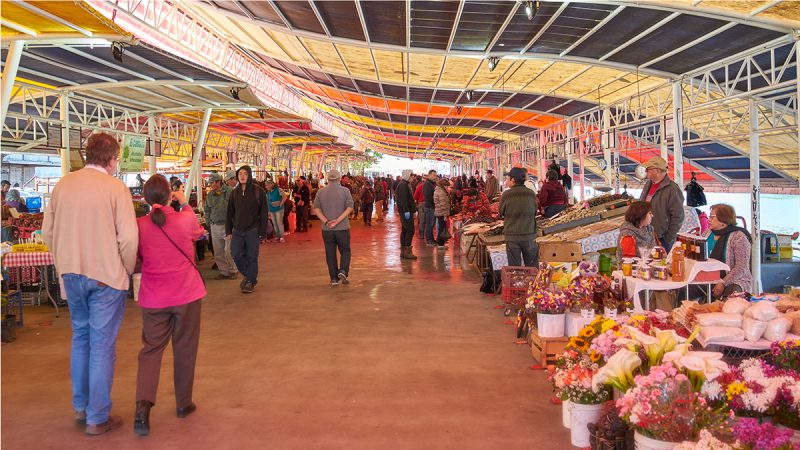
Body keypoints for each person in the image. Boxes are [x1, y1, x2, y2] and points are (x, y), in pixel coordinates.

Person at [41, 132, 138, 435]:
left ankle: (82, 407)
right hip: (105, 276)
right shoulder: (115, 188)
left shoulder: (62, 185)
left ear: (86, 155)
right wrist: (125, 268)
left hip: (71, 274)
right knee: (101, 346)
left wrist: (65, 262)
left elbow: (48, 233)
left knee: (80, 338)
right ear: (112, 159)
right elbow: (129, 238)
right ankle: (98, 417)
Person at [133, 175, 205, 436]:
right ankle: (183, 404)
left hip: (153, 297)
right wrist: (184, 204)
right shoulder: (185, 218)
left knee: (151, 350)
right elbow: (198, 233)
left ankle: (142, 406)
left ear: (144, 199)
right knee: (185, 347)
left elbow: (136, 258)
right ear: (170, 196)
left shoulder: (139, 225)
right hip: (187, 293)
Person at [226, 165, 268, 293]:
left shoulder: (258, 191)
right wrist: (228, 230)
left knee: (252, 256)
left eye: (245, 174)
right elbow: (229, 213)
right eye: (240, 174)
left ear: (249, 175)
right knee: (235, 254)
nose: (242, 176)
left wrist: (263, 231)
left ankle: (250, 281)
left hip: (252, 230)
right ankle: (249, 276)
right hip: (237, 230)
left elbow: (264, 212)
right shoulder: (234, 193)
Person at [313, 170, 354, 286]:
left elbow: (316, 209)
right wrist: (338, 220)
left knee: (330, 253)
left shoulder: (320, 192)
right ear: (339, 178)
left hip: (327, 230)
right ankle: (343, 271)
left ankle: (334, 279)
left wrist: (326, 222)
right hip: (342, 228)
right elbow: (350, 207)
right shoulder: (345, 191)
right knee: (345, 251)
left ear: (328, 179)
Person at [638, 156, 685, 251]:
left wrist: (668, 238)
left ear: (657, 170)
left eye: (648, 169)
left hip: (661, 237)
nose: (646, 172)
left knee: (661, 263)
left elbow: (678, 216)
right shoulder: (648, 184)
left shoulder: (672, 189)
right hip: (645, 233)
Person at [709, 203, 753, 297]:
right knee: (683, 289)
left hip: (736, 279)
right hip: (709, 277)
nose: (709, 220)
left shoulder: (739, 237)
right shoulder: (708, 233)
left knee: (731, 294)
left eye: (712, 217)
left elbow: (741, 267)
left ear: (723, 220)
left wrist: (723, 282)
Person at [499, 167, 538, 267]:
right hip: (529, 235)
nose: (507, 181)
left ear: (513, 180)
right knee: (532, 267)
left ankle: (517, 282)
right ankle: (532, 282)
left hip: (512, 236)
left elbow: (501, 212)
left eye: (508, 179)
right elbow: (535, 211)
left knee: (515, 267)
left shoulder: (506, 195)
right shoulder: (531, 194)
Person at [204, 173, 238, 279]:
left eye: (212, 182)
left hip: (228, 225)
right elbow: (207, 210)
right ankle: (224, 271)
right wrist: (209, 222)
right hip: (215, 226)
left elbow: (236, 207)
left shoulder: (230, 192)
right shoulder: (210, 195)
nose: (211, 185)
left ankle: (233, 270)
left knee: (229, 250)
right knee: (218, 251)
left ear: (218, 182)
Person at [395, 170, 417, 260]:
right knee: (410, 230)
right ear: (408, 176)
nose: (413, 177)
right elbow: (403, 200)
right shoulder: (403, 185)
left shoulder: (404, 184)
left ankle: (404, 251)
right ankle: (407, 251)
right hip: (405, 212)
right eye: (412, 176)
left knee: (405, 230)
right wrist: (406, 211)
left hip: (405, 211)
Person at [433, 178, 451, 250]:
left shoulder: (438, 190)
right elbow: (443, 204)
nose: (447, 187)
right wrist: (445, 215)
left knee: (441, 228)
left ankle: (440, 243)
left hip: (439, 212)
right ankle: (440, 244)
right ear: (443, 185)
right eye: (446, 186)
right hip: (441, 213)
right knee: (442, 229)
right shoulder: (441, 192)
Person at [423, 170, 437, 246]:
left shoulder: (432, 184)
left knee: (431, 224)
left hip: (432, 206)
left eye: (435, 175)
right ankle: (429, 240)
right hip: (430, 207)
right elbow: (428, 197)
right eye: (433, 175)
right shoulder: (427, 184)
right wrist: (435, 202)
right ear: (429, 175)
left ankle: (431, 239)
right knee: (430, 223)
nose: (435, 177)